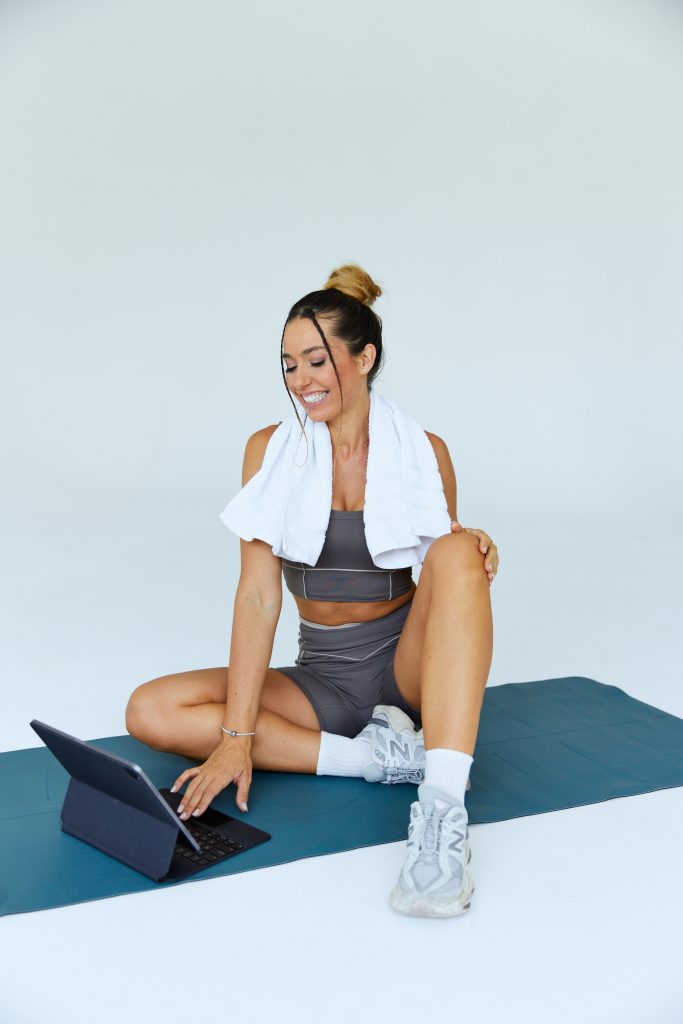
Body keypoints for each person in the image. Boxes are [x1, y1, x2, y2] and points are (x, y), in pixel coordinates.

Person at [125, 263, 498, 917]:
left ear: (364, 357)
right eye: (289, 365)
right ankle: (376, 760)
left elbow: (448, 581)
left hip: (407, 671)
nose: (301, 380)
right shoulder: (269, 450)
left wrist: (470, 546)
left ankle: (441, 812)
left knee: (460, 549)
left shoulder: (424, 450)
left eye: (317, 361)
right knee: (150, 711)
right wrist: (235, 735)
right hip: (322, 678)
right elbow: (257, 595)